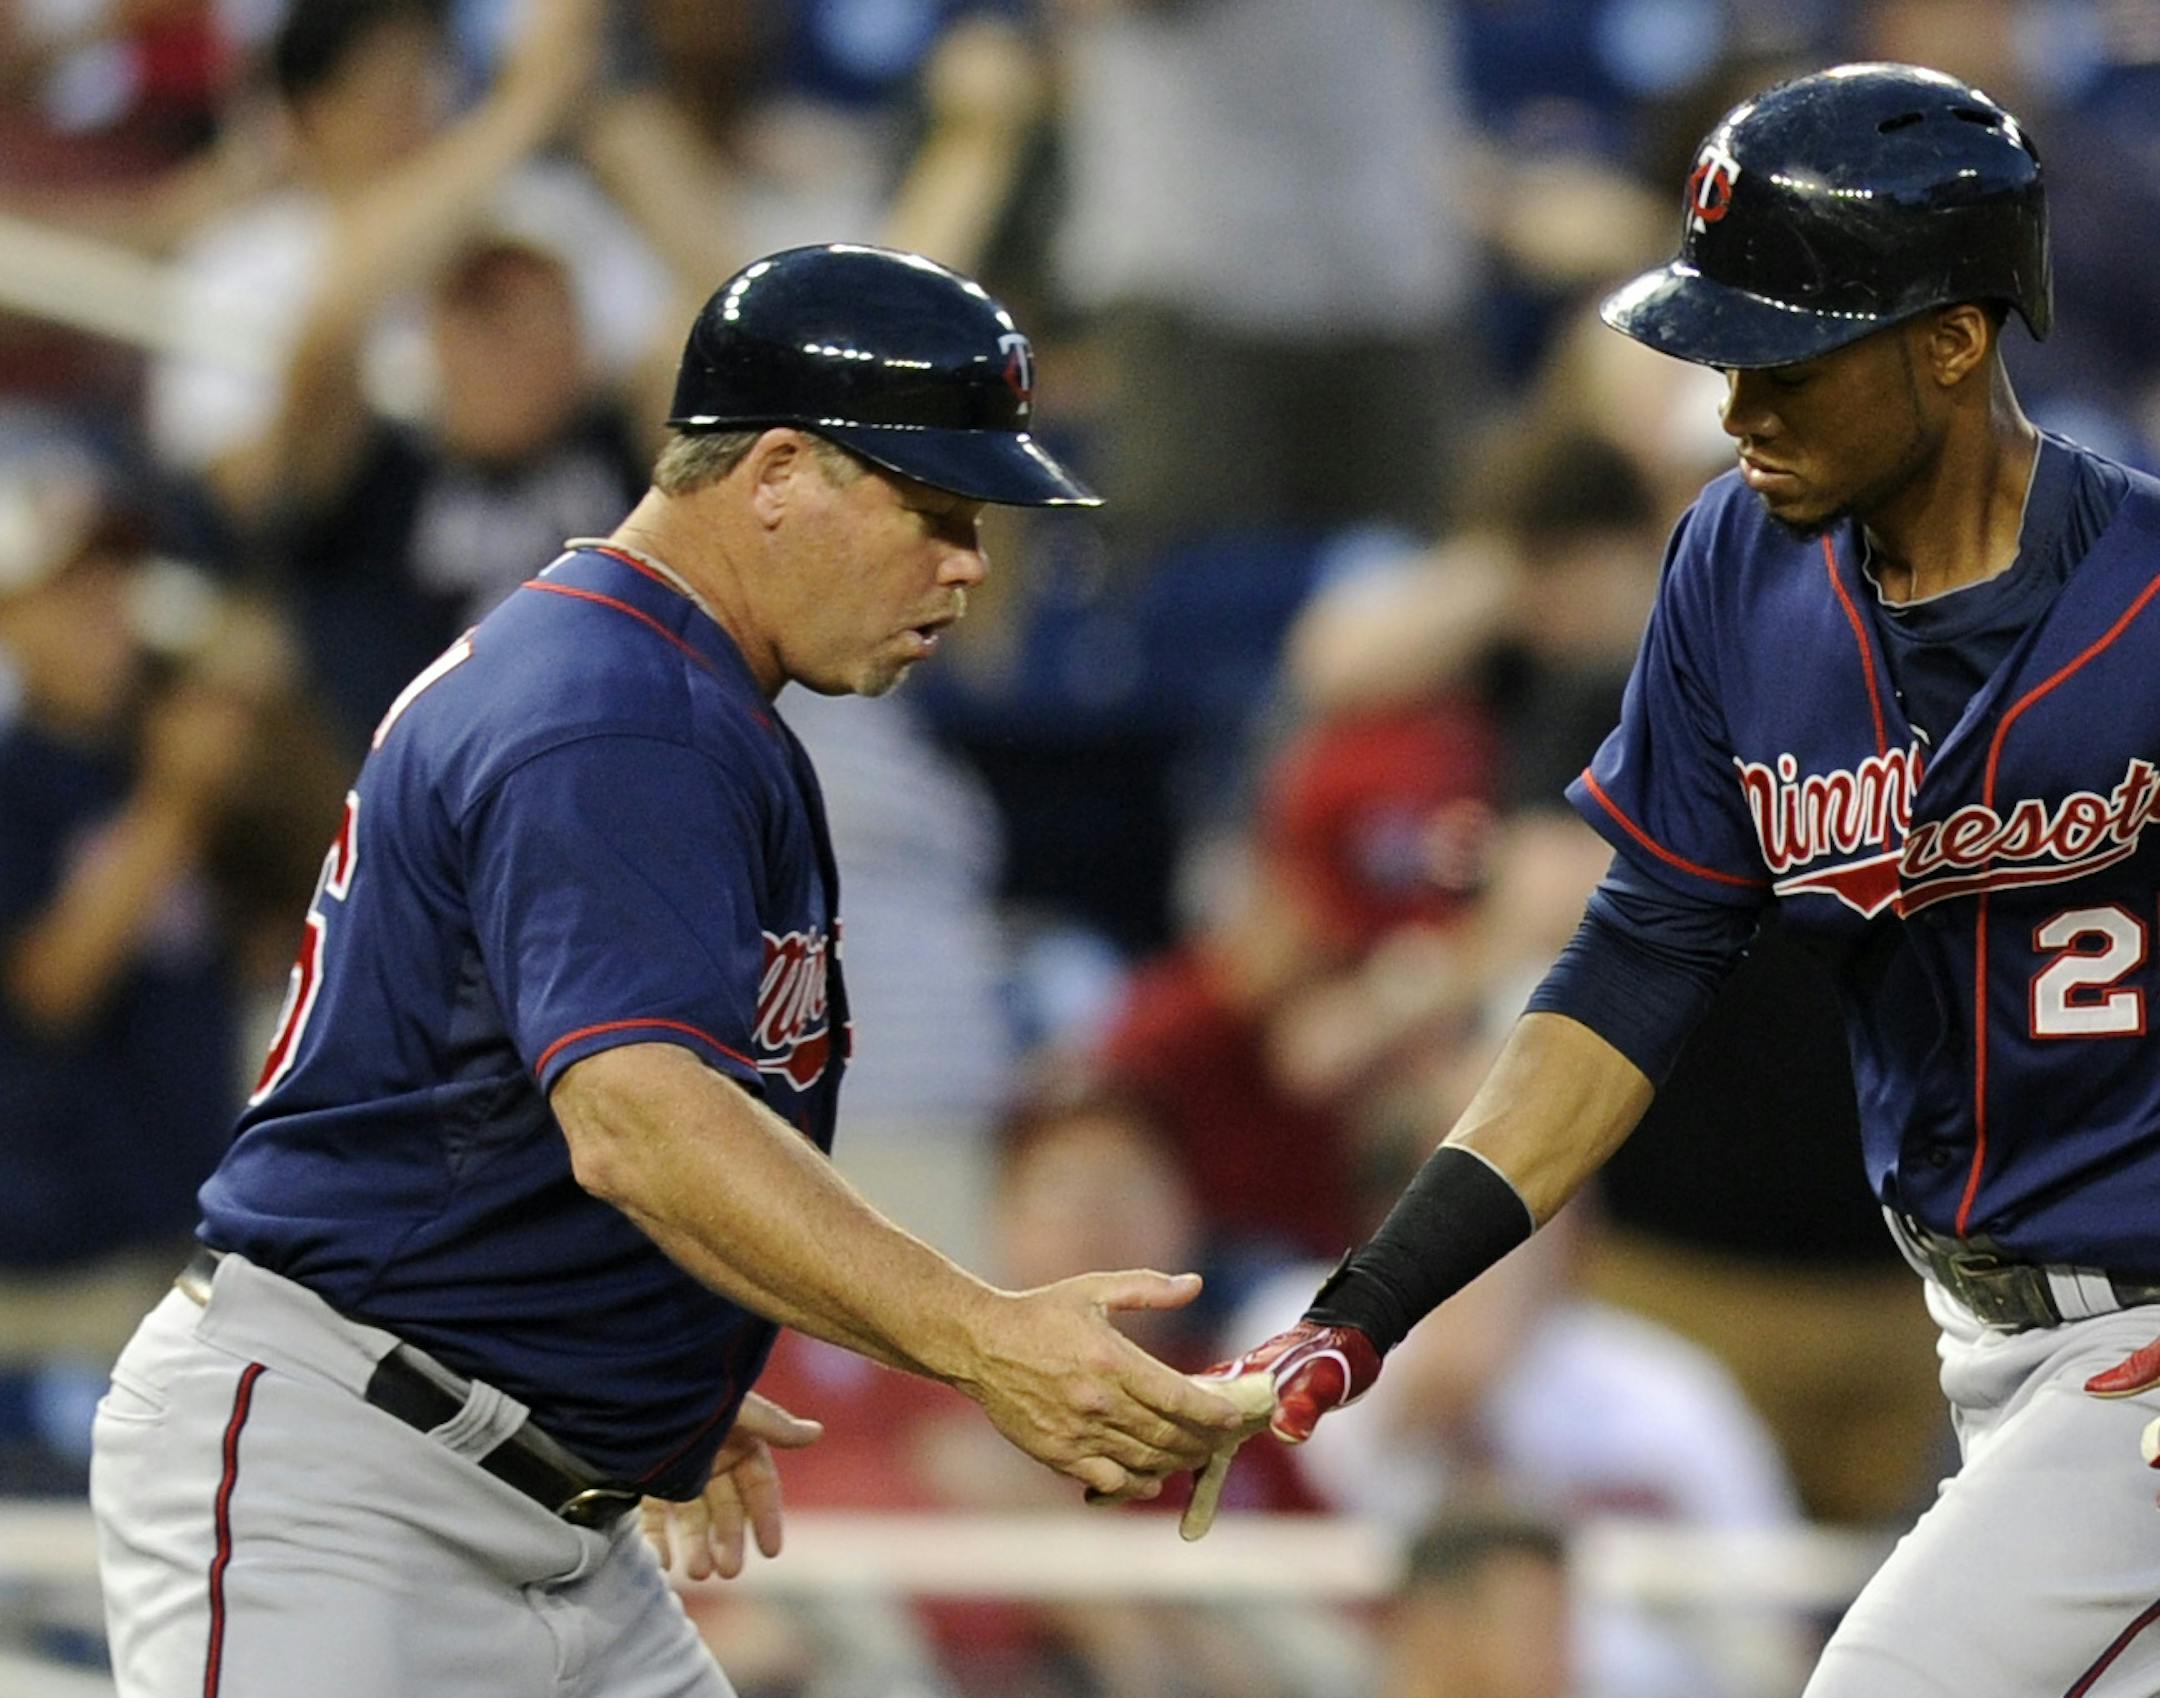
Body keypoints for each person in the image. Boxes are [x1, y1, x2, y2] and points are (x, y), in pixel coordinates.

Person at [89, 242, 1244, 1698]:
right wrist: (983, 1337)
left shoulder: (658, 683)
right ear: (773, 474)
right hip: (351, 1496)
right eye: (934, 506)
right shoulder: (615, 712)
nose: (968, 561)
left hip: (525, 1492)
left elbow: (532, 1096)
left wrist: (643, 1364)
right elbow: (636, 1121)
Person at [1204, 63, 2160, 1697]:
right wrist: (1371, 1302)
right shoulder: (1737, 564)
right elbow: (1632, 968)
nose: (1737, 405)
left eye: (1788, 358)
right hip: (1989, 1339)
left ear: (1953, 340)